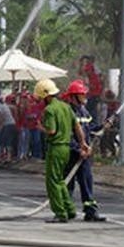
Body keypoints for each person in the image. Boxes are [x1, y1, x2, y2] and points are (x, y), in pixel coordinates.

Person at [35, 78, 90, 223]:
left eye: (40, 97)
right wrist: (83, 142)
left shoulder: (49, 110)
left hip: (56, 148)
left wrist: (41, 128)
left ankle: (60, 213)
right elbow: (77, 127)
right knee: (60, 181)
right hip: (67, 148)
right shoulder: (66, 107)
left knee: (52, 182)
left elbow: (51, 130)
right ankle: (70, 210)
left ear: (45, 96)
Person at [62, 79, 108, 222]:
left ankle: (90, 211)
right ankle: (66, 210)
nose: (85, 98)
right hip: (71, 154)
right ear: (73, 96)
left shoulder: (84, 111)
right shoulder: (67, 112)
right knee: (68, 184)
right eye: (82, 95)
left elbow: (91, 128)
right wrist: (77, 149)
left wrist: (103, 126)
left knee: (87, 182)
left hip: (84, 154)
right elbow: (67, 135)